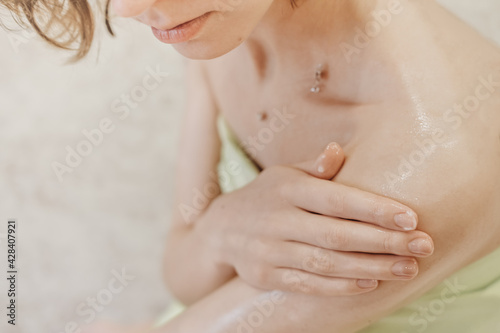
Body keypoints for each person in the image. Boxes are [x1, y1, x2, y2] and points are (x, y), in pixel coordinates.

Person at [4, 0, 500, 332]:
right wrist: (220, 230)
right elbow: (183, 270)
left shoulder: (437, 141)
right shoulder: (218, 23)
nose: (130, 8)